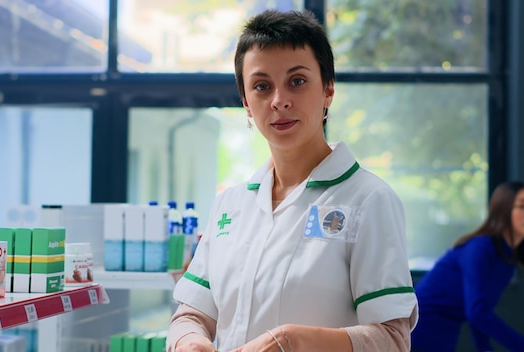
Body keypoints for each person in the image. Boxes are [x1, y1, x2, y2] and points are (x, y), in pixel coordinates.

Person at [166, 9, 418, 352]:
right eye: (261, 86)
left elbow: (392, 339)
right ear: (246, 105)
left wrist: (291, 341)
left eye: (297, 81)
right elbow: (192, 313)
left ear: (328, 90)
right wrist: (190, 342)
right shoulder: (230, 204)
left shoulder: (367, 199)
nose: (279, 100)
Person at [411, 181, 524, 352]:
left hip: (443, 336)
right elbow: (477, 312)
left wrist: (484, 348)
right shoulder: (480, 247)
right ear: (503, 210)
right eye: (522, 206)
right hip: (416, 331)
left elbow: (480, 311)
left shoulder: (507, 259)